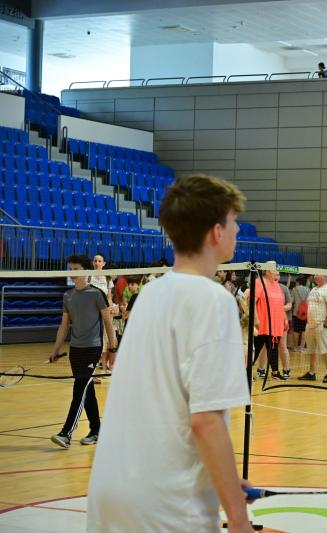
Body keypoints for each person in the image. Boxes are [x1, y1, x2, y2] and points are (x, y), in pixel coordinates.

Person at [87, 175, 255, 533]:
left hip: (110, 496)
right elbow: (206, 421)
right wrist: (238, 518)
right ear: (216, 232)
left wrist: (224, 480)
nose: (238, 229)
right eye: (233, 221)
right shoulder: (214, 300)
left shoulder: (151, 293)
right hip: (168, 508)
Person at [49, 254, 117, 449]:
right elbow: (64, 326)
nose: (73, 273)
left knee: (79, 389)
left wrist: (112, 346)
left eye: (76, 269)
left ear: (86, 271)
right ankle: (96, 431)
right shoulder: (68, 296)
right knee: (87, 390)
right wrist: (56, 350)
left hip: (93, 348)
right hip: (75, 349)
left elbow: (107, 321)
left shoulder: (97, 294)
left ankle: (66, 433)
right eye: (71, 269)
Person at [253, 260, 288, 382]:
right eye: (274, 270)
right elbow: (252, 302)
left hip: (276, 324)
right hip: (262, 324)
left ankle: (275, 372)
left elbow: (280, 304)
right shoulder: (259, 283)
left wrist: (285, 318)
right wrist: (256, 319)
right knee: (256, 349)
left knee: (273, 349)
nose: (277, 272)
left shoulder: (276, 285)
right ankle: (245, 372)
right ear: (267, 271)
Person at [298, 273, 327, 383]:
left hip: (322, 325)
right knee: (312, 350)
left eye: (317, 274)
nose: (315, 276)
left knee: (326, 350)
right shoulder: (314, 289)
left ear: (325, 276)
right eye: (314, 274)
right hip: (310, 325)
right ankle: (311, 373)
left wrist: (326, 324)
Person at [89, 253, 117, 381]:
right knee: (92, 343)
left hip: (104, 314)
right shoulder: (88, 276)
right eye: (95, 261)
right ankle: (91, 372)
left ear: (104, 263)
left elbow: (109, 297)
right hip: (91, 314)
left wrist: (111, 308)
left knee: (105, 342)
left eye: (99, 261)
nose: (97, 263)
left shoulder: (107, 278)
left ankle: (106, 368)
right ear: (92, 262)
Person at [290, 275, 310, 351]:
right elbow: (308, 302)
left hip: (296, 313)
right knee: (304, 330)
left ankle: (295, 347)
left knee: (296, 330)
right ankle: (301, 348)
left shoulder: (294, 289)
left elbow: (292, 301)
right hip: (305, 314)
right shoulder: (308, 290)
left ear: (298, 282)